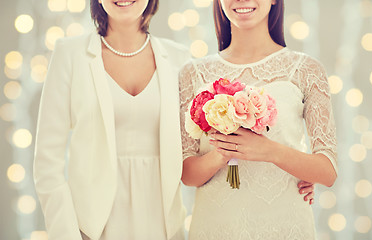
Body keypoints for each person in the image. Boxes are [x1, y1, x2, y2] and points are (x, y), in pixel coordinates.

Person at [179, 0, 337, 239]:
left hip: (285, 224)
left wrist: (268, 150)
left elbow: (328, 171)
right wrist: (223, 153)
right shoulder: (192, 73)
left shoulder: (306, 69)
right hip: (216, 226)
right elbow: (186, 173)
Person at [33, 0, 191, 239]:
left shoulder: (180, 59)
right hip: (92, 228)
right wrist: (67, 233)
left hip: (163, 226)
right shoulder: (70, 54)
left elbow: (194, 149)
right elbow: (47, 163)